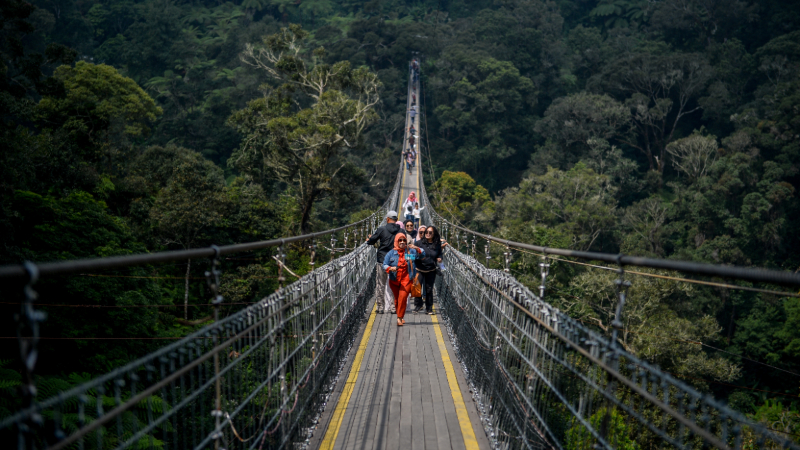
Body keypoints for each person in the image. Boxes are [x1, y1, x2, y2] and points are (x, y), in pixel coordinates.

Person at [366, 211, 404, 314]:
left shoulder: (381, 229)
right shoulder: (401, 231)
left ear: (387, 219)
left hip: (382, 260)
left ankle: (380, 307)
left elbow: (371, 242)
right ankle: (393, 308)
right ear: (396, 219)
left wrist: (369, 239)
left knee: (380, 284)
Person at [383, 233, 424, 326]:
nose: (402, 242)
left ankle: (399, 318)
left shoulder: (410, 252)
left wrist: (417, 248)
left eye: (404, 240)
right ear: (396, 241)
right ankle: (400, 315)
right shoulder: (391, 253)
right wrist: (389, 268)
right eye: (400, 240)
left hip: (407, 279)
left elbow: (422, 255)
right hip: (394, 280)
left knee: (403, 298)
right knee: (397, 300)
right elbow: (384, 264)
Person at [413, 225, 443, 314]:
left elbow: (440, 254)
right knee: (416, 287)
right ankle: (419, 305)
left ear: (434, 234)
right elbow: (412, 256)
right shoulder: (418, 243)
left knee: (429, 289)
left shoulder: (437, 245)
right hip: (419, 269)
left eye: (430, 233)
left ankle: (429, 308)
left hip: (431, 270)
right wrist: (419, 257)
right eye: (426, 232)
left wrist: (440, 258)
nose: (427, 234)